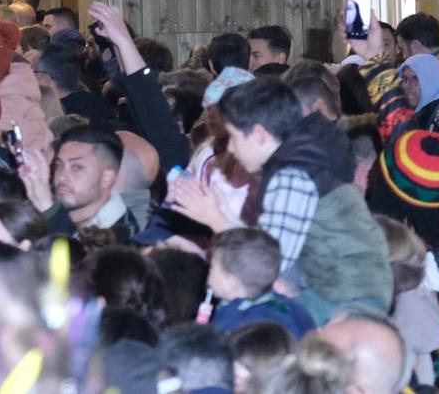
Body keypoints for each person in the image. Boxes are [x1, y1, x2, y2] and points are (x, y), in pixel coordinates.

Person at [168, 75, 392, 320]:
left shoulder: (291, 175)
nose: (230, 148)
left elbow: (266, 266)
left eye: (233, 136)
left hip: (341, 303)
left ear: (260, 134)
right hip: (346, 292)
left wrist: (216, 219)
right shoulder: (305, 157)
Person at [206, 227, 316, 338]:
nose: (208, 272)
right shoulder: (295, 310)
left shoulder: (231, 325)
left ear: (230, 281)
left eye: (212, 267)